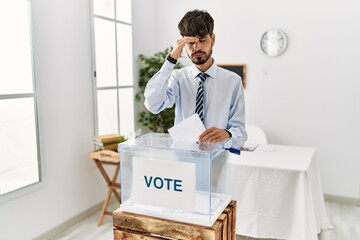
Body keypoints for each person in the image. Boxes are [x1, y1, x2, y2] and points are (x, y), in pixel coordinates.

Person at [144, 9, 247, 149]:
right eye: (190, 43)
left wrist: (227, 134)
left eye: (202, 40)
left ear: (213, 39)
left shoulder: (233, 81)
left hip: (217, 159)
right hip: (184, 159)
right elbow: (153, 104)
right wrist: (170, 60)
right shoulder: (177, 78)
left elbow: (240, 132)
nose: (196, 47)